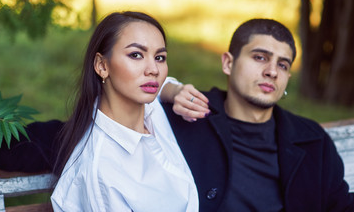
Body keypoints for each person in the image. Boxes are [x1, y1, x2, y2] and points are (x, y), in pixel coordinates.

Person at [162, 18, 354, 211]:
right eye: (260, 57)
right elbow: (136, 97)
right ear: (228, 63)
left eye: (283, 65)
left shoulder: (313, 140)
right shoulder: (188, 113)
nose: (272, 72)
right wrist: (169, 90)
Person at [46, 11, 202, 212]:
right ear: (102, 66)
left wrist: (175, 90)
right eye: (136, 55)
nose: (153, 69)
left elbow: (160, 85)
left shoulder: (151, 109)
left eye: (160, 57)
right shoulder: (101, 173)